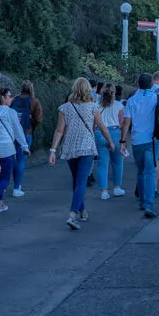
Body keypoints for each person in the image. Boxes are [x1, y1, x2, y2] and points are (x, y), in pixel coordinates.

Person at [49, 78, 112, 230]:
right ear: (87, 90)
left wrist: (53, 150)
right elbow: (101, 126)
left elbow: (59, 130)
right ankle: (72, 214)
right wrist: (110, 141)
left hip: (70, 147)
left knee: (77, 180)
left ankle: (82, 210)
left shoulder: (65, 107)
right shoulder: (93, 107)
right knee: (81, 181)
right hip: (87, 147)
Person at [121, 74, 159, 219]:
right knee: (150, 171)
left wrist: (123, 141)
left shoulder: (131, 100)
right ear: (151, 84)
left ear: (138, 84)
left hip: (136, 141)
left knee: (141, 171)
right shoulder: (156, 98)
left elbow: (126, 122)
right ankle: (149, 204)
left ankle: (142, 200)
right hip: (151, 140)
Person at [0, 87, 29, 215]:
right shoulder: (10, 112)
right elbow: (18, 131)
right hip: (7, 148)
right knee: (5, 177)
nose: (11, 99)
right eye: (9, 96)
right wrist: (24, 146)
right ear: (2, 97)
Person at [9, 82, 42, 198]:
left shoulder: (13, 100)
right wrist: (31, 129)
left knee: (10, 159)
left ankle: (2, 185)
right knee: (21, 160)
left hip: (11, 134)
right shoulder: (34, 102)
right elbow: (38, 119)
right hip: (26, 133)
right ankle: (17, 187)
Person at [94, 84, 125, 200]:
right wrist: (123, 139)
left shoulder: (96, 106)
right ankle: (117, 187)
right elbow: (122, 123)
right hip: (115, 132)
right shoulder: (119, 105)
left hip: (100, 132)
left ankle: (104, 191)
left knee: (102, 163)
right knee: (117, 161)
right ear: (114, 93)